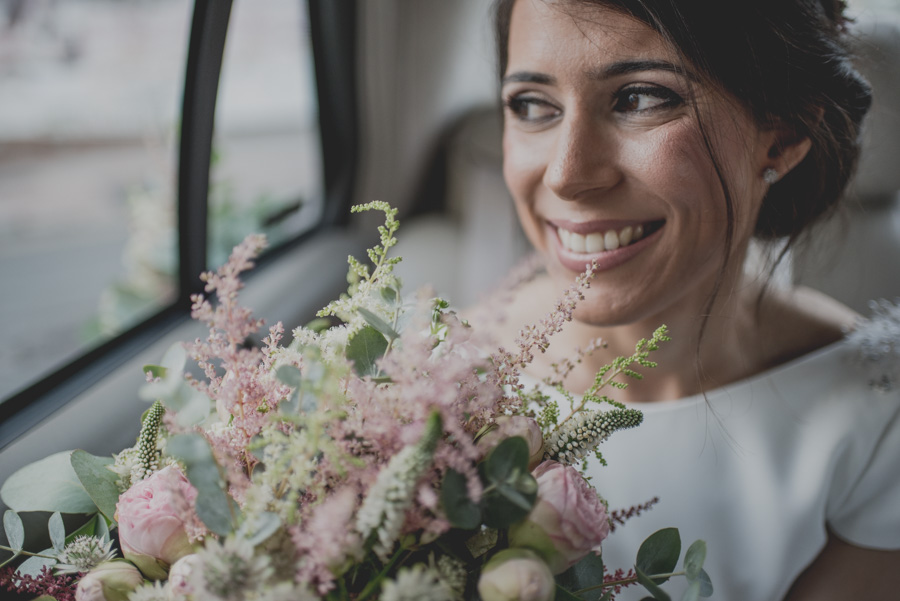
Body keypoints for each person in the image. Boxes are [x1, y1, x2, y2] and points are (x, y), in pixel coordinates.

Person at [482, 0, 900, 599]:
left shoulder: (880, 419)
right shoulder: (426, 382)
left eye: (641, 97)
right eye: (532, 105)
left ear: (781, 135)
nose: (567, 174)